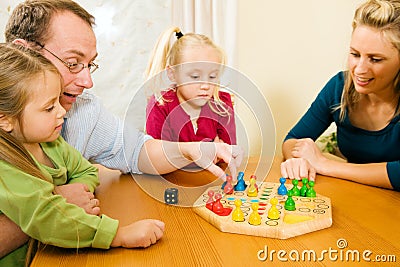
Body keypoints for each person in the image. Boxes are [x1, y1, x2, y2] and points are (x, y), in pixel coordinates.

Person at [1, 0, 243, 260]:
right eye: (72, 63)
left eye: (89, 64)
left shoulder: (82, 111)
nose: (87, 82)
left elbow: (136, 150)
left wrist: (190, 149)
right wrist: (54, 204)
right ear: (25, 54)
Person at [0, 43, 165, 267]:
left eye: (58, 101)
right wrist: (117, 235)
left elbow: (85, 169)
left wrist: (81, 192)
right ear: (5, 119)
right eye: (49, 108)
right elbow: (47, 218)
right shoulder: (6, 167)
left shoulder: (51, 143)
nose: (61, 111)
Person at [280, 0, 400, 192]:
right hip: (360, 198)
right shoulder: (339, 87)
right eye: (355, 54)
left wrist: (326, 165)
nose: (359, 69)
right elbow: (294, 138)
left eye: (375, 59)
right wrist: (297, 160)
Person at [145, 27, 236, 145]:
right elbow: (158, 157)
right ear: (172, 74)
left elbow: (229, 153)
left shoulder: (221, 105)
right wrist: (205, 153)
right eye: (195, 76)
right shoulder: (160, 105)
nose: (206, 85)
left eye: (212, 76)